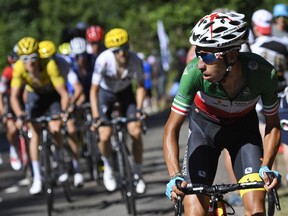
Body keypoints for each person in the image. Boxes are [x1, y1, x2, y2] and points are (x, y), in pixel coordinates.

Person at [163, 12, 281, 216]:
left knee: (256, 211)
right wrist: (175, 175)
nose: (200, 64)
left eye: (207, 56)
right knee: (194, 212)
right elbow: (171, 129)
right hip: (204, 133)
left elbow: (273, 124)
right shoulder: (193, 74)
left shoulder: (262, 74)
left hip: (244, 135)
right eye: (198, 54)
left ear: (232, 55)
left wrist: (267, 166)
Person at [10, 36, 70, 195]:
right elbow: (14, 96)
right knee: (34, 134)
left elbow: (64, 93)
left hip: (51, 96)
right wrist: (19, 114)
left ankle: (59, 161)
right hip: (34, 96)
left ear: (39, 56)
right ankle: (37, 176)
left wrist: (63, 112)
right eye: (25, 58)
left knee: (56, 127)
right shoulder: (18, 68)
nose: (30, 62)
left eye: (33, 57)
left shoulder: (49, 65)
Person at [90, 28, 146, 193]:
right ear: (111, 51)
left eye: (125, 48)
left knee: (135, 131)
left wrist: (140, 108)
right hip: (105, 94)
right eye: (117, 51)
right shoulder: (103, 60)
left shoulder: (135, 60)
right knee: (105, 134)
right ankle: (108, 167)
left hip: (125, 93)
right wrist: (95, 116)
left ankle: (138, 173)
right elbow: (93, 91)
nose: (122, 53)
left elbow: (141, 85)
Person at [38, 40, 84, 187]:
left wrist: (68, 107)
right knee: (50, 128)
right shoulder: (37, 68)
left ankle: (77, 169)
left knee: (70, 128)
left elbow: (77, 88)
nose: (49, 62)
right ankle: (56, 158)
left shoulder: (64, 64)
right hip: (47, 98)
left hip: (63, 96)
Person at [0, 52, 22, 171]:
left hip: (22, 98)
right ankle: (14, 148)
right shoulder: (7, 72)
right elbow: (1, 94)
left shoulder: (25, 68)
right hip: (10, 100)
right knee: (12, 129)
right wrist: (3, 112)